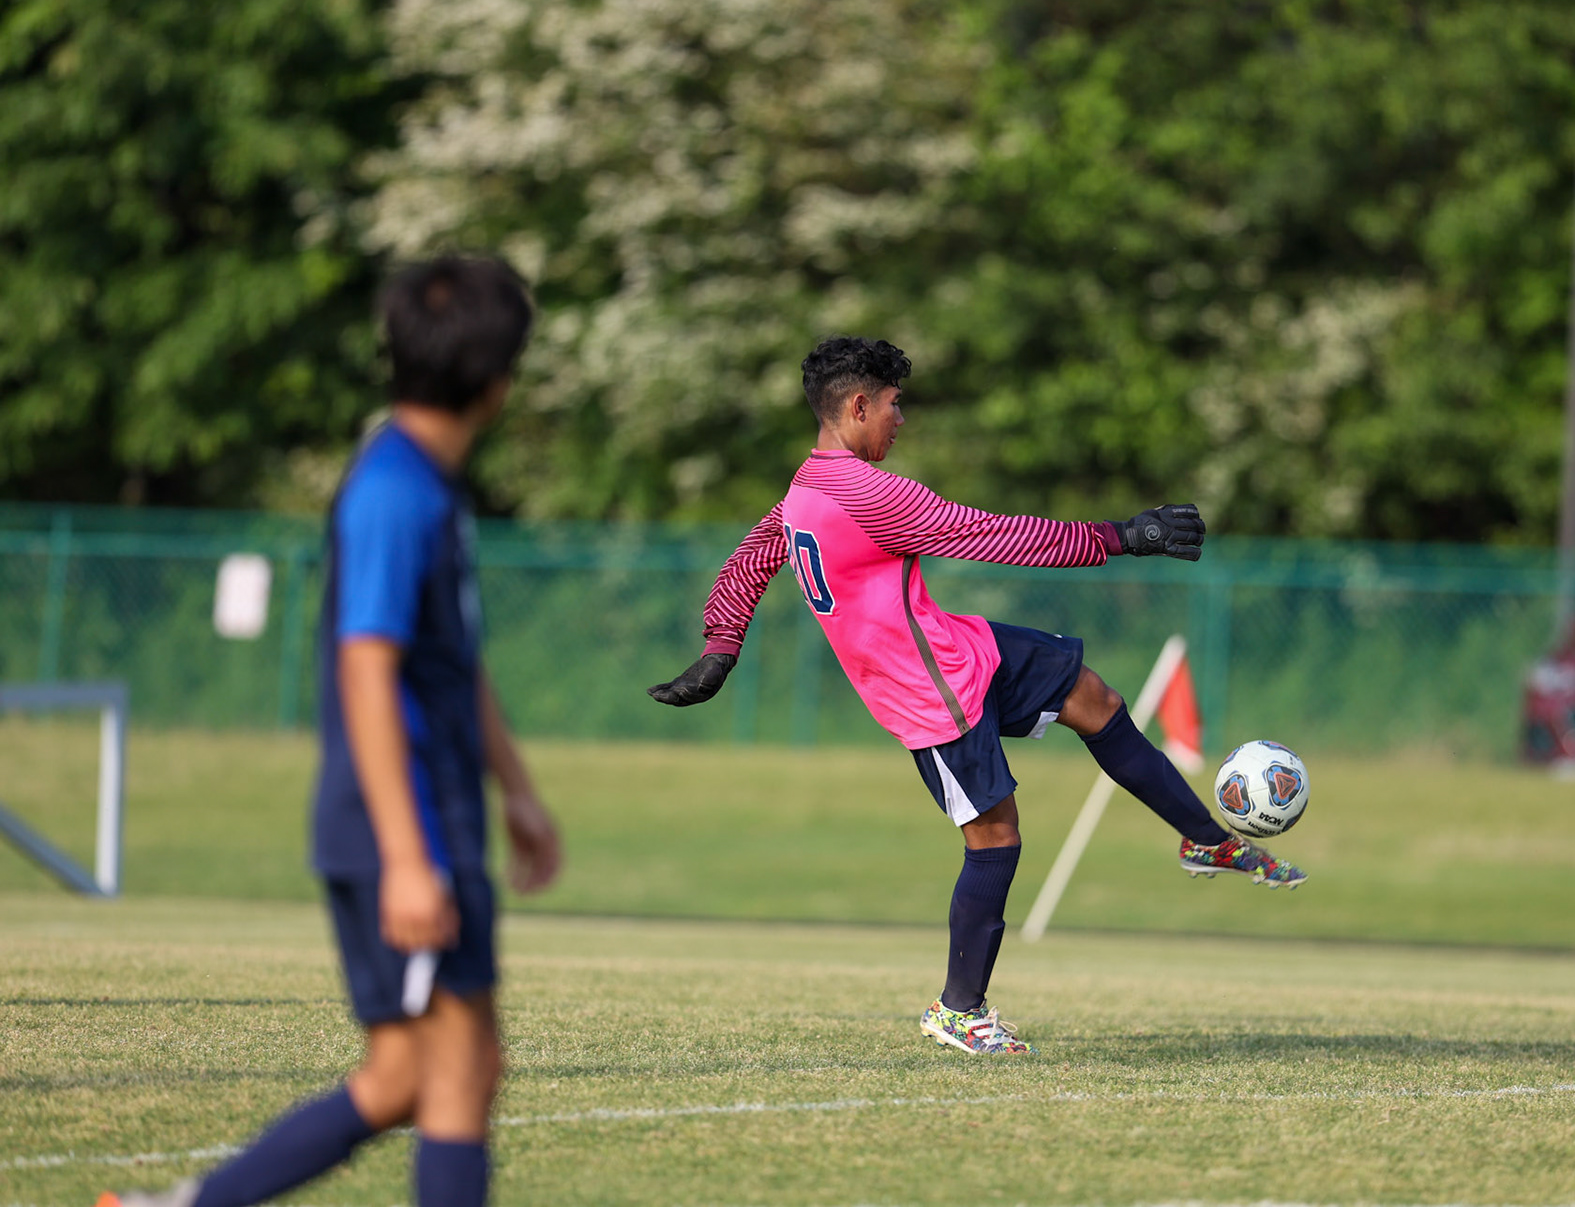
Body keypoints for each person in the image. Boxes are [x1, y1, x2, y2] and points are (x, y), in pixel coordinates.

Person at [650, 336, 1304, 1056]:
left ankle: (1205, 840)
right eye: (895, 406)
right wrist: (1120, 536)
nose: (902, 420)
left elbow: (752, 556)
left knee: (1097, 701)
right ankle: (958, 1010)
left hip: (962, 651)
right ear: (858, 405)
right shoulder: (870, 493)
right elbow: (987, 534)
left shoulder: (806, 490)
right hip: (929, 694)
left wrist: (720, 647)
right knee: (995, 838)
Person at [98, 256, 563, 1207]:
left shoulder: (427, 481)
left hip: (423, 821)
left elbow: (451, 660)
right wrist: (406, 853)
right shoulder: (397, 491)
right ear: (497, 382)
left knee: (402, 1076)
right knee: (462, 1069)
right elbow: (366, 664)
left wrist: (515, 788)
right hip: (405, 826)